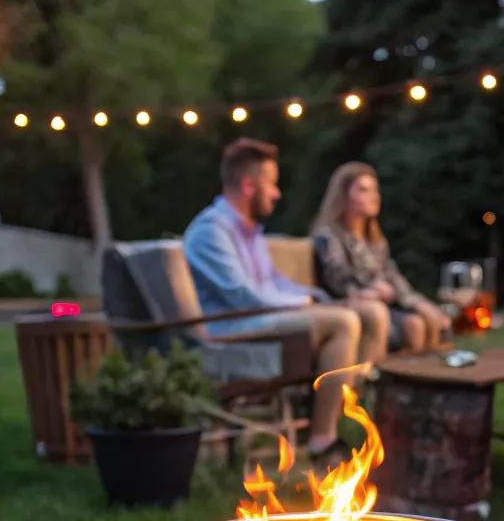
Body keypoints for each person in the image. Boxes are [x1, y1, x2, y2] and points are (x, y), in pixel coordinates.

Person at [184, 138, 388, 463]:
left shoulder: (248, 231)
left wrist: (317, 297)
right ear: (249, 186)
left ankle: (347, 418)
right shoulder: (211, 231)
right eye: (272, 184)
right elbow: (242, 296)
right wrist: (309, 305)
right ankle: (323, 439)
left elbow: (274, 282)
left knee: (353, 312)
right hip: (236, 328)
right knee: (342, 322)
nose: (277, 193)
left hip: (261, 318)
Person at [312, 162, 450, 351]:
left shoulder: (375, 240)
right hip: (351, 304)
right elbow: (338, 280)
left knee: (430, 319)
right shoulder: (329, 237)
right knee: (413, 326)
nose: (374, 197)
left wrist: (418, 303)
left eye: (375, 190)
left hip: (387, 304)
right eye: (363, 190)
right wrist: (375, 290)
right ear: (343, 195)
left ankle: (431, 375)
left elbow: (393, 277)